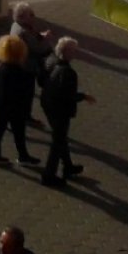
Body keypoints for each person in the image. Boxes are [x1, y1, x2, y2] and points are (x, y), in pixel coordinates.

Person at [39, 36, 94, 187]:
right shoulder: (68, 73)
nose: (75, 54)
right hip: (59, 110)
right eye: (74, 51)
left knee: (61, 139)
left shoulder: (50, 61)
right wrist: (83, 96)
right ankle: (48, 176)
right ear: (68, 52)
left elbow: (41, 80)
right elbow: (68, 95)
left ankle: (68, 166)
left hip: (47, 103)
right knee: (58, 141)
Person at [0, 34, 40, 167]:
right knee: (19, 131)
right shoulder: (19, 71)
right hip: (15, 105)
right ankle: (23, 156)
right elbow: (25, 92)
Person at [9, 3, 54, 86]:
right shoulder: (22, 31)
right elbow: (38, 49)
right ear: (22, 17)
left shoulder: (18, 24)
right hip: (30, 63)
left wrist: (41, 36)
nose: (33, 16)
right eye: (31, 14)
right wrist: (46, 40)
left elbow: (33, 37)